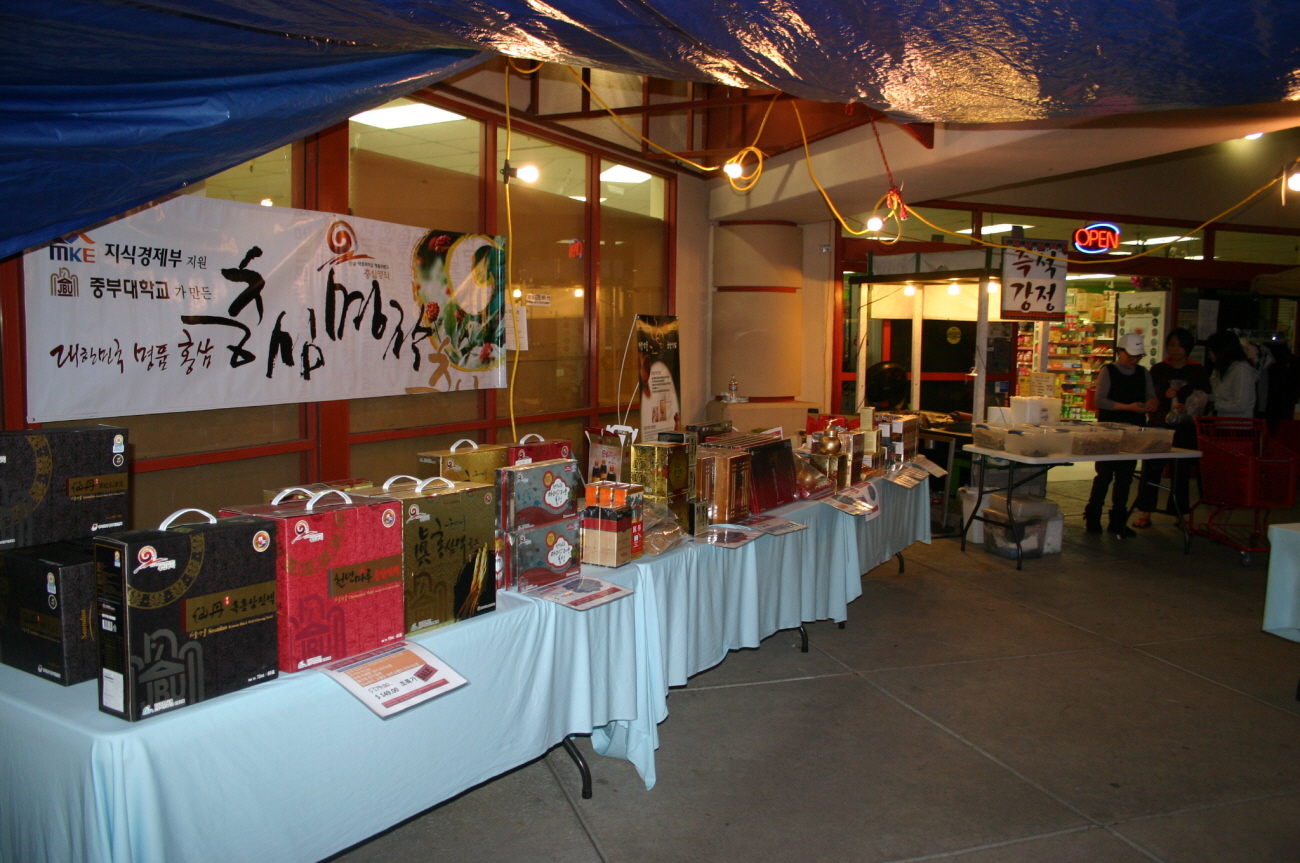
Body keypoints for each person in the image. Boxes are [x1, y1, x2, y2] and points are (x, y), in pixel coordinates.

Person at [1132, 328, 1210, 527]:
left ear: (1188, 348)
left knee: (1181, 472)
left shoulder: (1197, 371)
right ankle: (1146, 512)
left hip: (1185, 427)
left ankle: (1179, 513)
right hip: (1159, 425)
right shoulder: (1158, 369)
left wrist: (1189, 406)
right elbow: (1146, 396)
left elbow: (1205, 398)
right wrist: (1162, 396)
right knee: (1151, 469)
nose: (1175, 349)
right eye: (1171, 345)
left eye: (1180, 345)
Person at [1084, 332, 1157, 537]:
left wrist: (1152, 403)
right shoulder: (1108, 371)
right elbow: (1100, 401)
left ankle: (1118, 521)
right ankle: (1093, 517)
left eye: (1138, 356)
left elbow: (1151, 396)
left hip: (1134, 431)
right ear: (1120, 352)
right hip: (1109, 431)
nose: (1134, 360)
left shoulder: (1143, 373)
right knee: (1104, 475)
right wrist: (1128, 407)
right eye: (1131, 356)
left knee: (1125, 478)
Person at [1204, 331, 1258, 418]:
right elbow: (1221, 397)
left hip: (1238, 424)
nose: (1209, 353)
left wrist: (1211, 404)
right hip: (1223, 422)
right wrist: (1204, 398)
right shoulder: (1225, 368)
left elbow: (1240, 405)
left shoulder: (1242, 369)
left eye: (1211, 349)